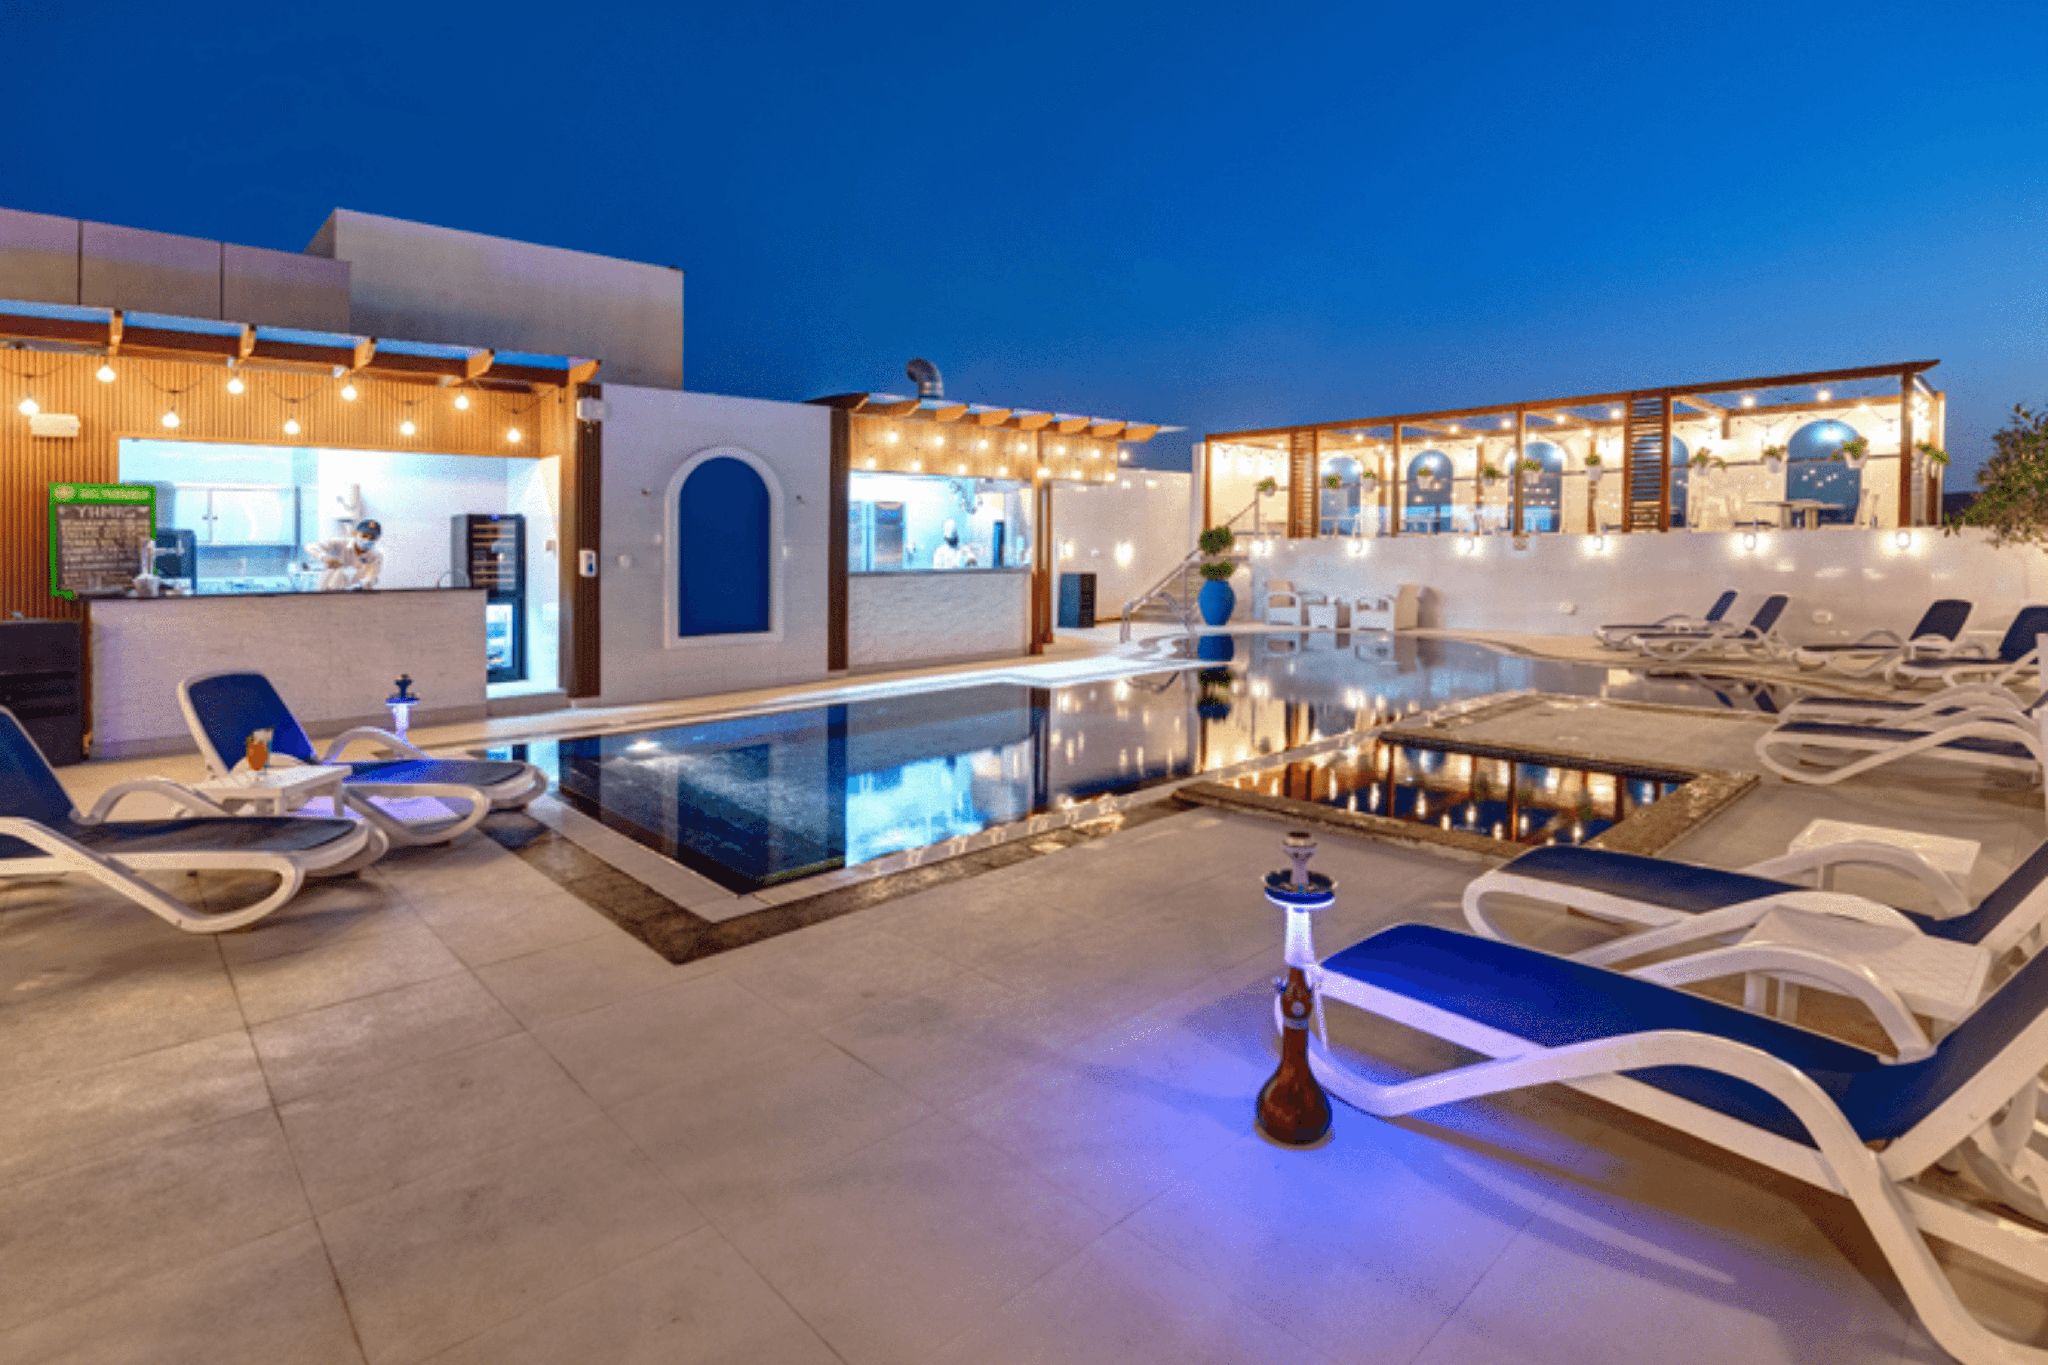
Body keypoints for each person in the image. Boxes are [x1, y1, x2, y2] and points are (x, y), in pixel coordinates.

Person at [307, 519, 385, 590]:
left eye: (372, 537)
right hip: (327, 590)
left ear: (378, 538)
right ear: (355, 534)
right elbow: (311, 547)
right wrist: (326, 558)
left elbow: (372, 576)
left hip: (355, 596)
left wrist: (361, 585)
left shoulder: (376, 556)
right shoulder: (340, 543)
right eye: (364, 536)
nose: (368, 540)